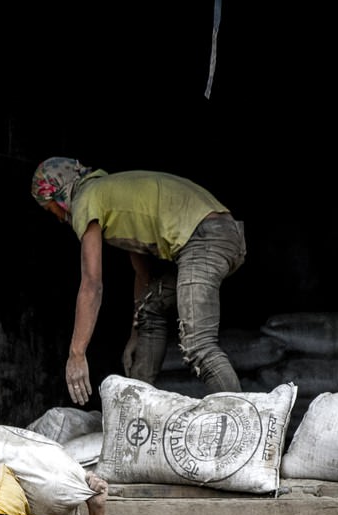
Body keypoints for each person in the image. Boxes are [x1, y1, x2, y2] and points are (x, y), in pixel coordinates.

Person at [31, 157, 247, 404]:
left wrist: (76, 354)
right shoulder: (109, 194)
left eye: (52, 209)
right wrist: (136, 333)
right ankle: (136, 408)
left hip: (205, 238)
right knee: (151, 307)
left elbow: (92, 285)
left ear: (59, 193)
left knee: (198, 345)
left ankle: (246, 423)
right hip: (218, 233)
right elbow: (142, 274)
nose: (58, 217)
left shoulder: (85, 199)